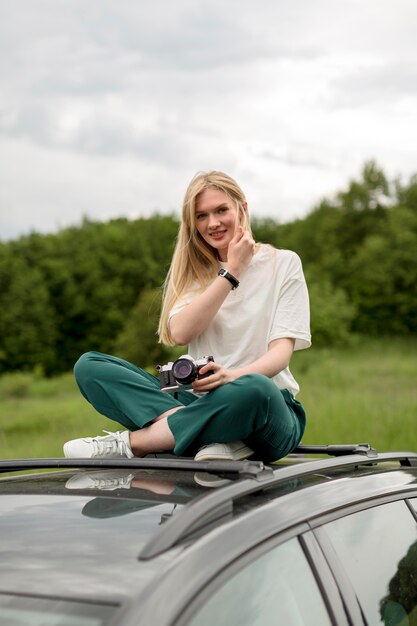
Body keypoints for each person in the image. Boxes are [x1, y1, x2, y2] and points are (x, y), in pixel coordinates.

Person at [64, 171, 311, 463]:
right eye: (202, 216)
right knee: (90, 367)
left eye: (221, 210)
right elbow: (181, 333)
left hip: (266, 408)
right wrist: (232, 273)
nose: (213, 223)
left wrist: (230, 377)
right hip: (198, 399)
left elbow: (280, 355)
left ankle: (136, 443)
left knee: (256, 388)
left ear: (242, 208)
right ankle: (202, 430)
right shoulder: (194, 274)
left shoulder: (283, 263)